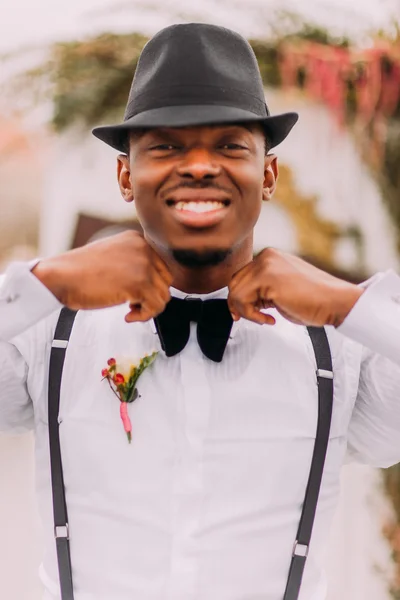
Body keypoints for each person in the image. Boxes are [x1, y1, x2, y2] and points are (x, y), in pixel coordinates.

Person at [1, 22, 400, 600]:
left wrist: (348, 305)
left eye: (230, 146)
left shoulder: (337, 349)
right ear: (124, 175)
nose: (198, 165)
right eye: (166, 146)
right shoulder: (47, 334)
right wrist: (47, 282)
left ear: (267, 175)